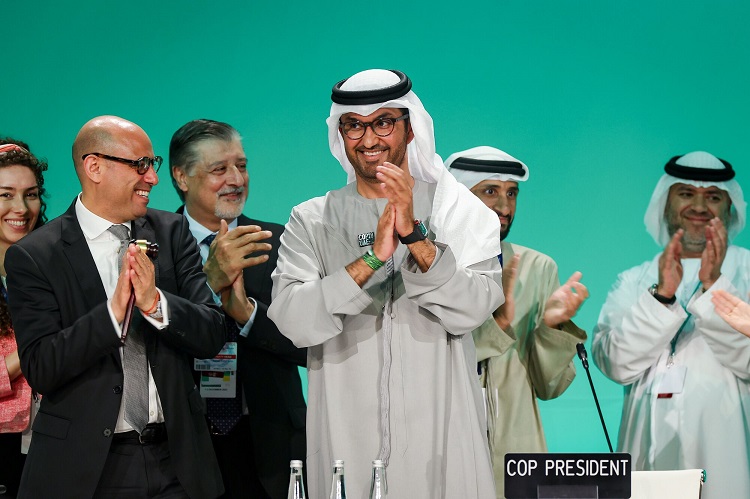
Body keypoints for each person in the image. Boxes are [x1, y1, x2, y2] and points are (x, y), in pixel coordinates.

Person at [268, 69, 503, 499]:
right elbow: (292, 319)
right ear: (340, 134)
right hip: (346, 435)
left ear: (410, 129)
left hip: (441, 435)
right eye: (354, 125)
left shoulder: (458, 210)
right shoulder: (312, 219)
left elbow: (473, 308)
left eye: (383, 122)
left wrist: (414, 236)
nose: (369, 139)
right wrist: (372, 259)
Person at [6, 116, 226, 499]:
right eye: (139, 165)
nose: (152, 178)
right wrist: (112, 315)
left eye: (152, 164)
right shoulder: (36, 255)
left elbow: (211, 333)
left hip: (178, 462)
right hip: (87, 469)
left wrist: (155, 303)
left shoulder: (171, 233)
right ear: (94, 167)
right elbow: (41, 367)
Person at [592, 151, 750, 499]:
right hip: (645, 460)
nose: (699, 206)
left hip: (727, 454)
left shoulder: (748, 272)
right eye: (686, 193)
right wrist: (663, 296)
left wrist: (714, 286)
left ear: (730, 208)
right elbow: (616, 364)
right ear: (666, 204)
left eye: (713, 196)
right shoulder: (633, 280)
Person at [170, 119, 307, 498]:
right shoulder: (153, 245)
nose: (236, 179)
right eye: (219, 169)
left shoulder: (280, 242)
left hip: (274, 442)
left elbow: (311, 343)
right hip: (185, 441)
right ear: (181, 176)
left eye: (241, 166)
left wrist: (248, 315)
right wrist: (210, 285)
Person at [445, 146, 588, 498]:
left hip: (519, 453)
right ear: (459, 197)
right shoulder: (430, 268)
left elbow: (549, 388)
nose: (505, 207)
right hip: (449, 443)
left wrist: (551, 329)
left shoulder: (538, 268)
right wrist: (498, 324)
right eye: (490, 191)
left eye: (512, 194)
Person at [0, 140, 47, 498]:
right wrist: (35, 347)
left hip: (56, 439)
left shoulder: (58, 265)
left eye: (30, 195)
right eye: (5, 195)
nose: (21, 208)